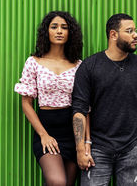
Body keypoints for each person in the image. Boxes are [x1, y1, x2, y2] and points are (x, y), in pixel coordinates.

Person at [72, 13, 137, 186]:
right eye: (129, 31)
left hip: (131, 149)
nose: (136, 35)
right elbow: (79, 109)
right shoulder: (90, 66)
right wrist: (80, 149)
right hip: (96, 150)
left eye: (135, 30)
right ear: (113, 35)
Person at [15, 11, 88, 186]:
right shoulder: (34, 62)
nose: (59, 31)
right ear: (46, 32)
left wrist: (85, 141)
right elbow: (26, 103)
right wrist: (43, 135)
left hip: (73, 131)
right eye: (54, 27)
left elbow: (85, 106)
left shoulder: (78, 65)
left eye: (64, 27)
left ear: (70, 33)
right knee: (57, 181)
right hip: (46, 129)